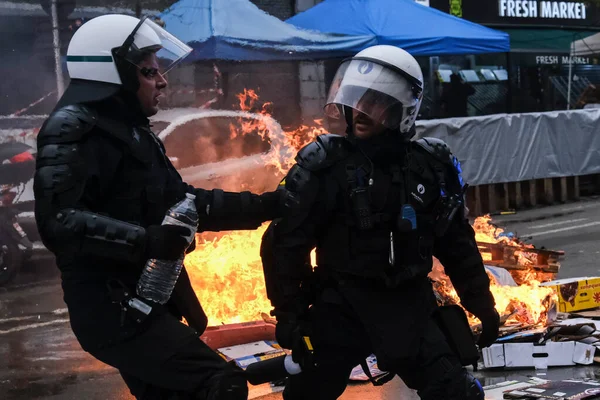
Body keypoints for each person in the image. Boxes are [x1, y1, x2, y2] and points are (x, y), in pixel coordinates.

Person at [34, 14, 285, 400]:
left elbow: (185, 202)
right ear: (113, 72)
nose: (163, 81)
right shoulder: (73, 128)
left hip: (148, 298)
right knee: (220, 383)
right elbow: (59, 222)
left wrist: (270, 205)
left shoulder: (135, 132)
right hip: (109, 308)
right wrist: (147, 240)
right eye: (150, 72)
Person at [261, 45, 499, 399]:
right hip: (340, 306)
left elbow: (456, 243)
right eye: (357, 99)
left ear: (402, 110)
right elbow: (284, 245)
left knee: (458, 393)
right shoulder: (324, 166)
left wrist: (481, 302)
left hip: (410, 307)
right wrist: (290, 315)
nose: (360, 111)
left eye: (374, 102)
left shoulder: (431, 166)